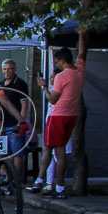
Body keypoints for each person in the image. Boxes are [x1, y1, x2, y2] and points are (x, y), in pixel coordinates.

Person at [35, 36, 87, 198]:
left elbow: (53, 99)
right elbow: (82, 54)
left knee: (57, 152)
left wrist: (44, 87)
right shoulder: (79, 71)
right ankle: (42, 180)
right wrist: (82, 35)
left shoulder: (62, 77)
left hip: (58, 115)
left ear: (63, 61)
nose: (57, 65)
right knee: (56, 149)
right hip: (71, 115)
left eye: (58, 62)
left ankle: (58, 186)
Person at [0, 58, 33, 185]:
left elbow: (24, 105)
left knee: (17, 152)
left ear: (15, 69)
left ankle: (16, 181)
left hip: (14, 123)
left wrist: (20, 123)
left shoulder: (20, 84)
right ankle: (6, 177)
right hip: (3, 123)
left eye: (10, 69)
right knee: (3, 153)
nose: (7, 71)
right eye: (5, 69)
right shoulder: (0, 85)